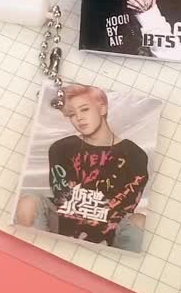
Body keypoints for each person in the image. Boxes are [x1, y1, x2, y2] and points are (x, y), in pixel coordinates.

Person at [14, 85, 149, 250]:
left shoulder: (134, 154)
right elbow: (63, 197)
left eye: (84, 109)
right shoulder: (62, 148)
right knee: (28, 203)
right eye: (72, 114)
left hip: (110, 228)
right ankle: (35, 255)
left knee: (140, 221)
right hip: (65, 221)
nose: (79, 118)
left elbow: (125, 205)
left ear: (102, 108)